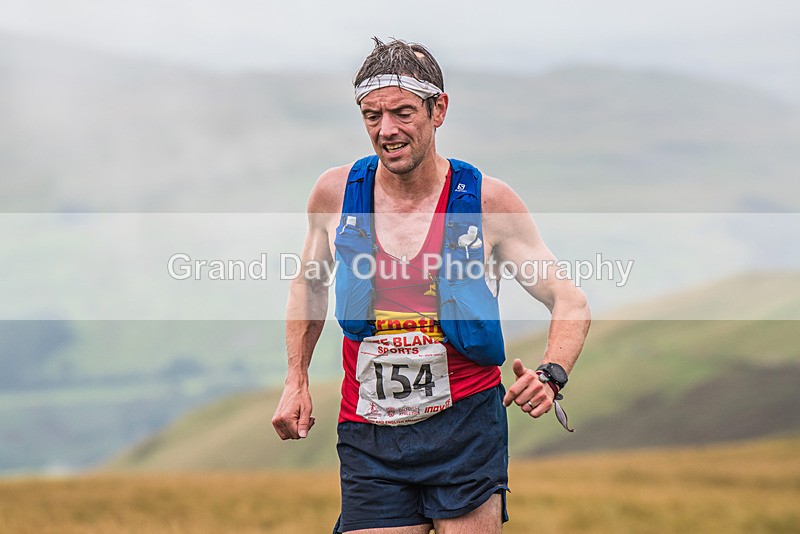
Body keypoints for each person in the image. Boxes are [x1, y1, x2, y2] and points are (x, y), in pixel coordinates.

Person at [272, 37, 591, 533]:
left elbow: (569, 300)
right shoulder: (336, 194)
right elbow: (309, 286)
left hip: (466, 429)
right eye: (372, 116)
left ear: (438, 109)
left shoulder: (487, 202)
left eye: (402, 112)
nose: (387, 130)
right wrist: (296, 379)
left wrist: (551, 375)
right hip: (369, 433)